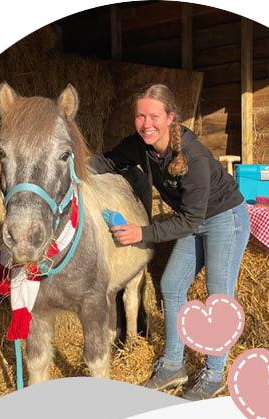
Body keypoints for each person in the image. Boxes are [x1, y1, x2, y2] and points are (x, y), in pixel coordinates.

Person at [90, 84, 250, 400]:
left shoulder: (192, 156)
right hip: (193, 218)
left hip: (224, 219)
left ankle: (214, 373)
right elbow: (109, 161)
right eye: (140, 116)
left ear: (170, 117)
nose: (147, 123)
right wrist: (69, 167)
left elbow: (190, 221)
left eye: (154, 116)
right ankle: (174, 365)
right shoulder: (140, 145)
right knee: (172, 284)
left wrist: (142, 233)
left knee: (217, 295)